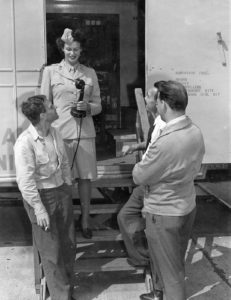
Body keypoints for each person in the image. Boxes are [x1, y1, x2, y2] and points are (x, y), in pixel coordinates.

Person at [132, 81, 205, 300]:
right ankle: (160, 293)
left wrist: (138, 164)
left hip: (164, 214)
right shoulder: (195, 131)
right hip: (186, 206)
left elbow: (139, 176)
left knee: (172, 276)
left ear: (163, 103)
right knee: (174, 265)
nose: (155, 103)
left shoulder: (166, 141)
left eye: (157, 99)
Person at [41, 28, 102, 239]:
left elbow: (98, 105)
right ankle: (65, 223)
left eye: (76, 49)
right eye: (68, 48)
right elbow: (43, 104)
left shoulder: (89, 73)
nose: (72, 53)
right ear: (62, 48)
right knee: (61, 180)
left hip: (84, 132)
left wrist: (89, 108)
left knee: (85, 179)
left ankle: (85, 220)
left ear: (81, 50)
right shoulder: (50, 71)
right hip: (59, 133)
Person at [14, 95, 76, 300]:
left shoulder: (55, 133)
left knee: (68, 245)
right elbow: (25, 182)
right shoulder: (25, 143)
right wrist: (39, 209)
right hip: (41, 198)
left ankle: (66, 289)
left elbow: (65, 162)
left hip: (61, 192)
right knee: (51, 251)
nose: (55, 107)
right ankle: (62, 297)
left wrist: (67, 184)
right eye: (51, 106)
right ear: (43, 115)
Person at [117, 87, 166, 268]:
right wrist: (135, 147)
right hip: (146, 182)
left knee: (130, 217)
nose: (145, 99)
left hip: (151, 184)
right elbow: (151, 144)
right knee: (126, 216)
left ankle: (147, 259)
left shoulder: (163, 126)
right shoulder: (157, 121)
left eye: (148, 96)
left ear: (159, 101)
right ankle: (143, 258)